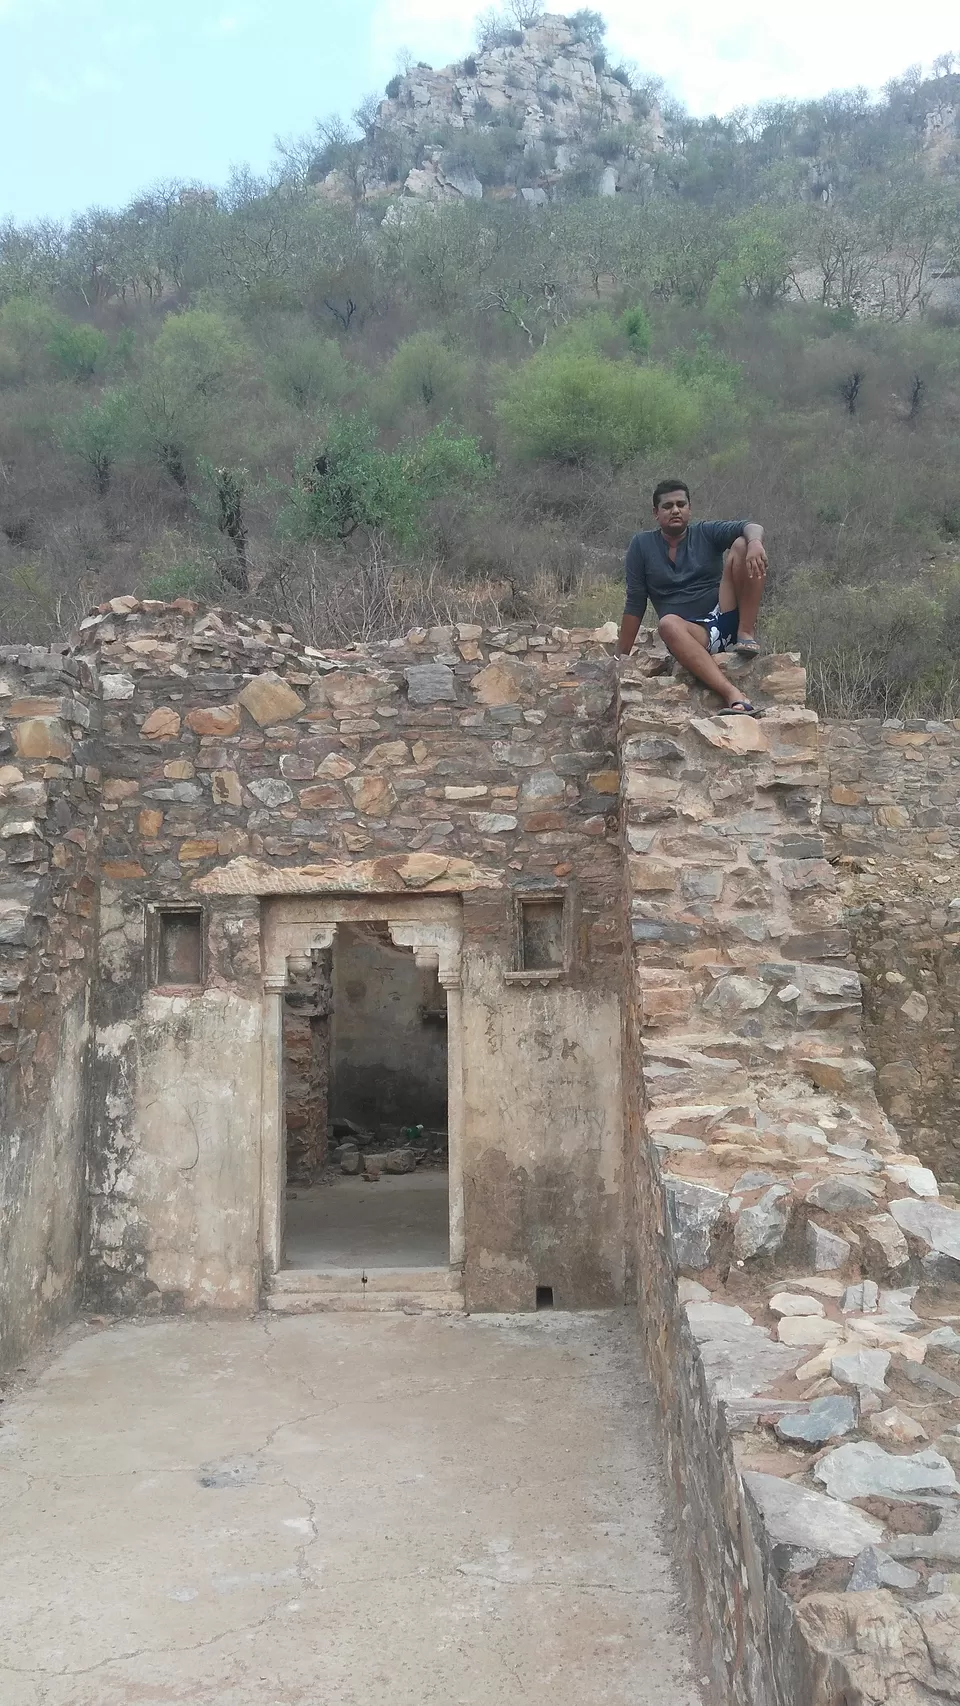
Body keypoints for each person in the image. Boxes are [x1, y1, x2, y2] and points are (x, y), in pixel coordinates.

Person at [616, 479, 768, 715]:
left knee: (742, 543)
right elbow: (635, 601)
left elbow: (751, 526)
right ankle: (732, 694)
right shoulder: (642, 545)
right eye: (667, 506)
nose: (675, 510)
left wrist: (756, 543)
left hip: (723, 616)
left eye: (680, 504)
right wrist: (620, 657)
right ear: (656, 513)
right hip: (691, 634)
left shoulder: (705, 532)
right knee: (667, 623)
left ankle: (746, 633)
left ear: (689, 508)